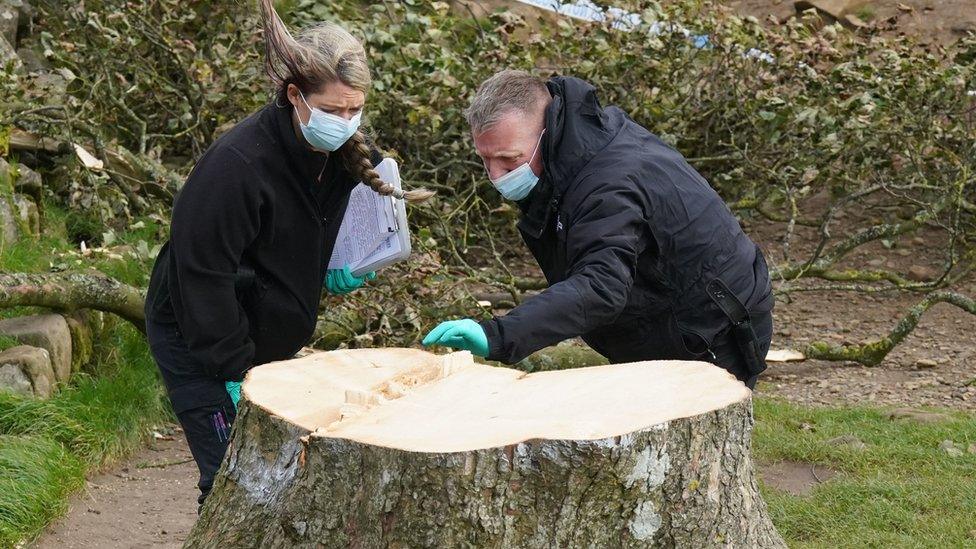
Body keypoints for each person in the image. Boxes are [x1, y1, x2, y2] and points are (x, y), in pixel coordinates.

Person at [144, 0, 431, 511]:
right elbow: (201, 276)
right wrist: (233, 372)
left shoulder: (341, 155)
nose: (345, 121)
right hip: (200, 331)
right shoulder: (236, 167)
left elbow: (322, 225)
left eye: (354, 109)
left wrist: (341, 263)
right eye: (332, 110)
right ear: (295, 96)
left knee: (285, 474)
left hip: (266, 322)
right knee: (234, 480)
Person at [423, 70, 773, 388]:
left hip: (714, 329)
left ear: (545, 132)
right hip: (660, 313)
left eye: (509, 160)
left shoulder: (608, 185)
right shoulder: (577, 142)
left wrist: (500, 334)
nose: (496, 176)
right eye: (486, 159)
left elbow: (601, 287)